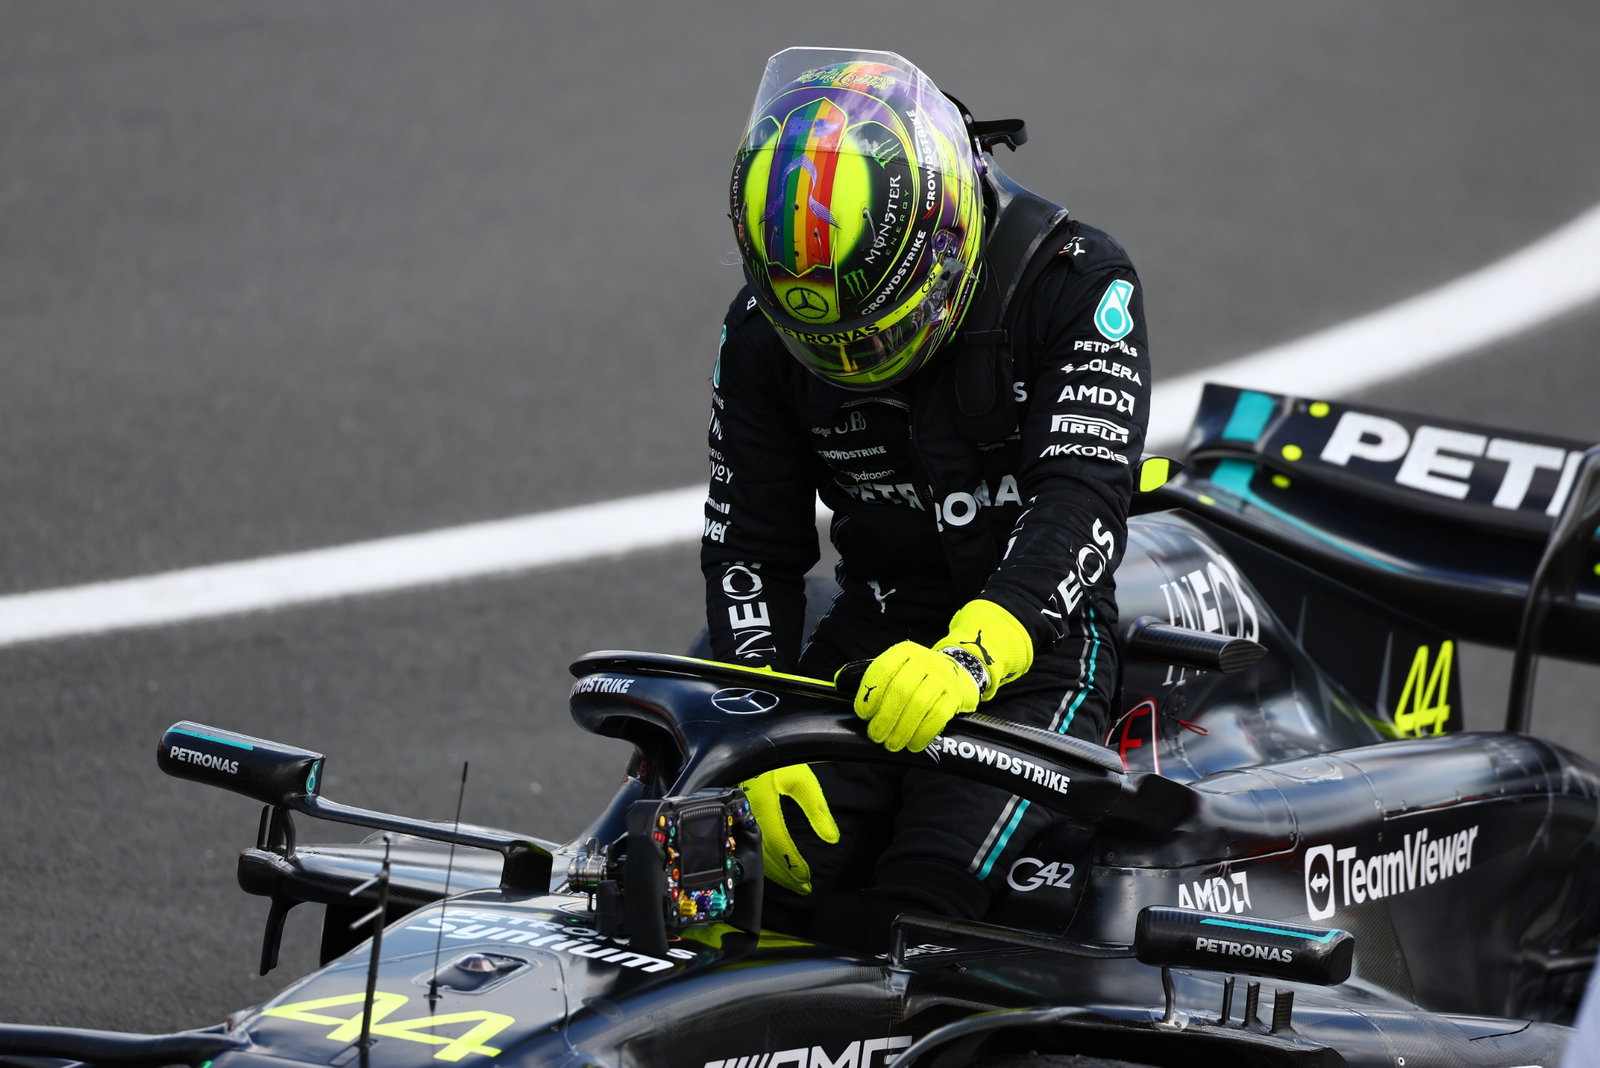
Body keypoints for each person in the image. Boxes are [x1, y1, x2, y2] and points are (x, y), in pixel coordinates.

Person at [702, 46, 1150, 951]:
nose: (848, 362)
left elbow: (1083, 498)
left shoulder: (1076, 284)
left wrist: (974, 656)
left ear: (943, 233)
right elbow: (750, 546)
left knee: (909, 918)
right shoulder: (758, 338)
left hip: (1036, 657)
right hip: (875, 625)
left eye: (869, 324)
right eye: (817, 334)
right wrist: (755, 723)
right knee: (723, 879)